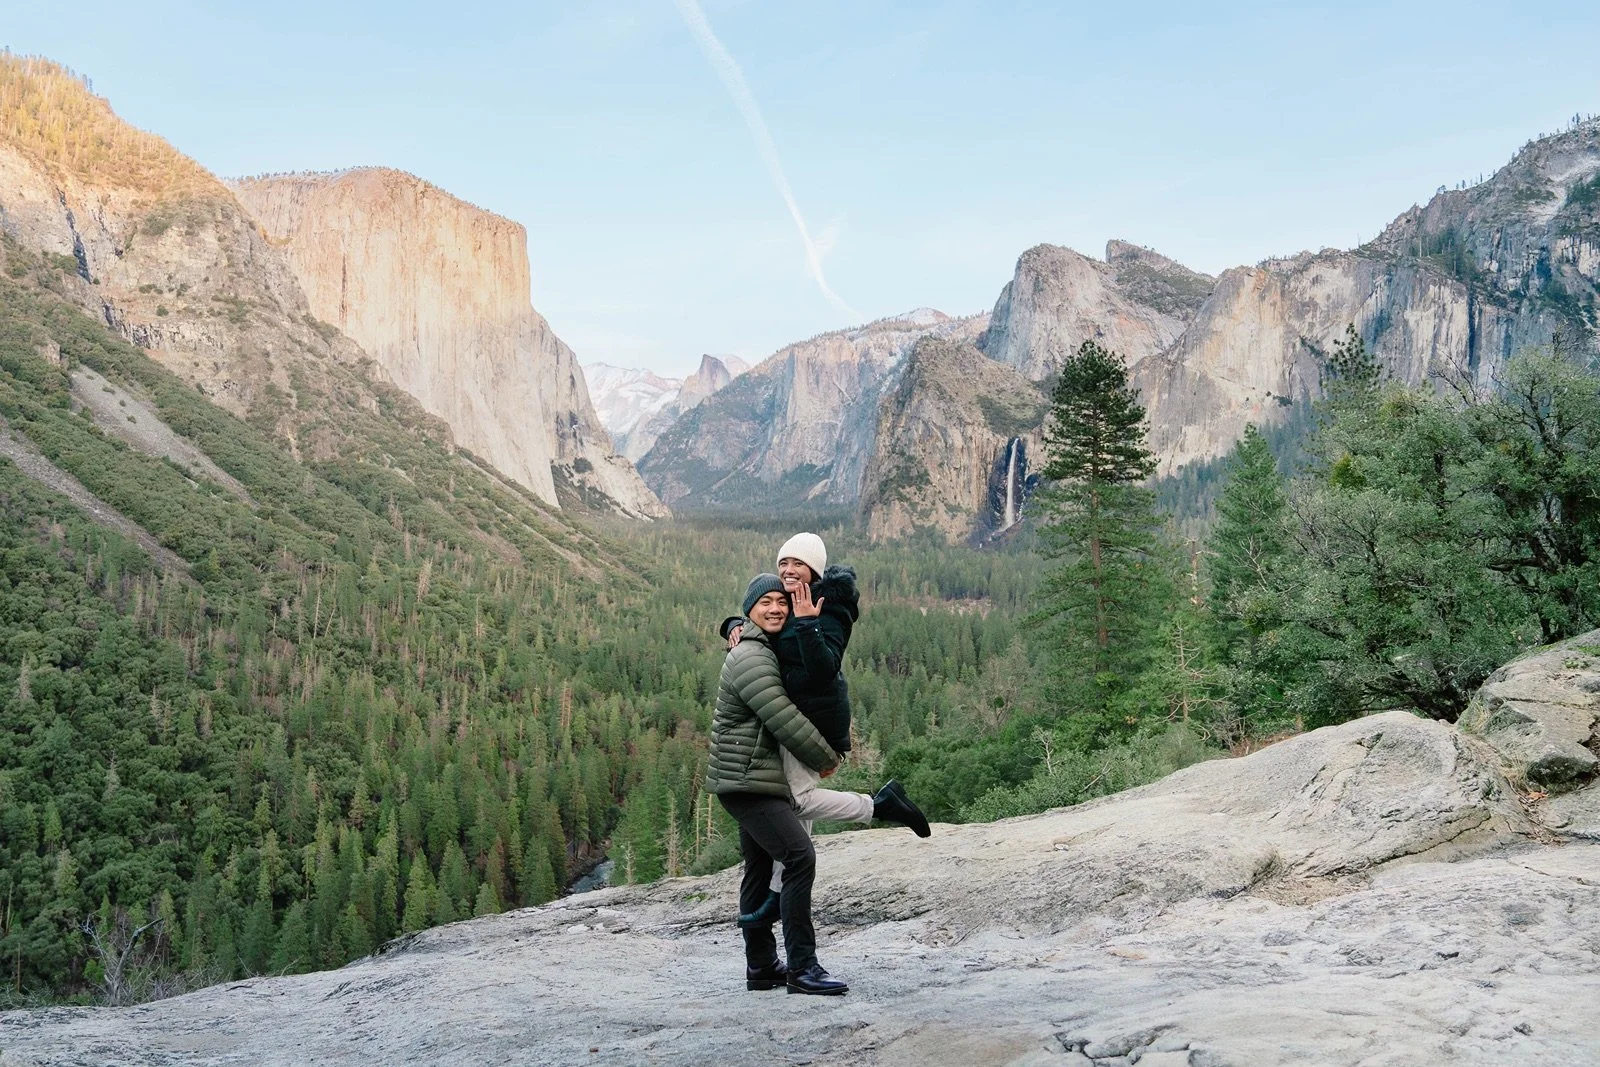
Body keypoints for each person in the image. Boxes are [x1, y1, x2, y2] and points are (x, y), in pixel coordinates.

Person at [722, 532, 930, 929]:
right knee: (797, 830)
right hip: (792, 719)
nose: (787, 570)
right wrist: (733, 623)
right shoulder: (788, 598)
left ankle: (878, 806)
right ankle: (777, 899)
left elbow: (822, 669)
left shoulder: (829, 606)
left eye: (797, 564)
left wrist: (807, 623)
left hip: (811, 721)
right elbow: (763, 617)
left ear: (814, 569)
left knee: (796, 804)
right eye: (783, 563)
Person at [706, 574, 849, 995]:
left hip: (751, 779)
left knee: (759, 866)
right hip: (748, 782)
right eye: (764, 602)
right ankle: (803, 969)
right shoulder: (751, 656)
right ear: (750, 609)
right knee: (800, 858)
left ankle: (762, 966)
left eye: (780, 603)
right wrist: (826, 758)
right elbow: (781, 716)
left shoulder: (759, 645)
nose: (775, 609)